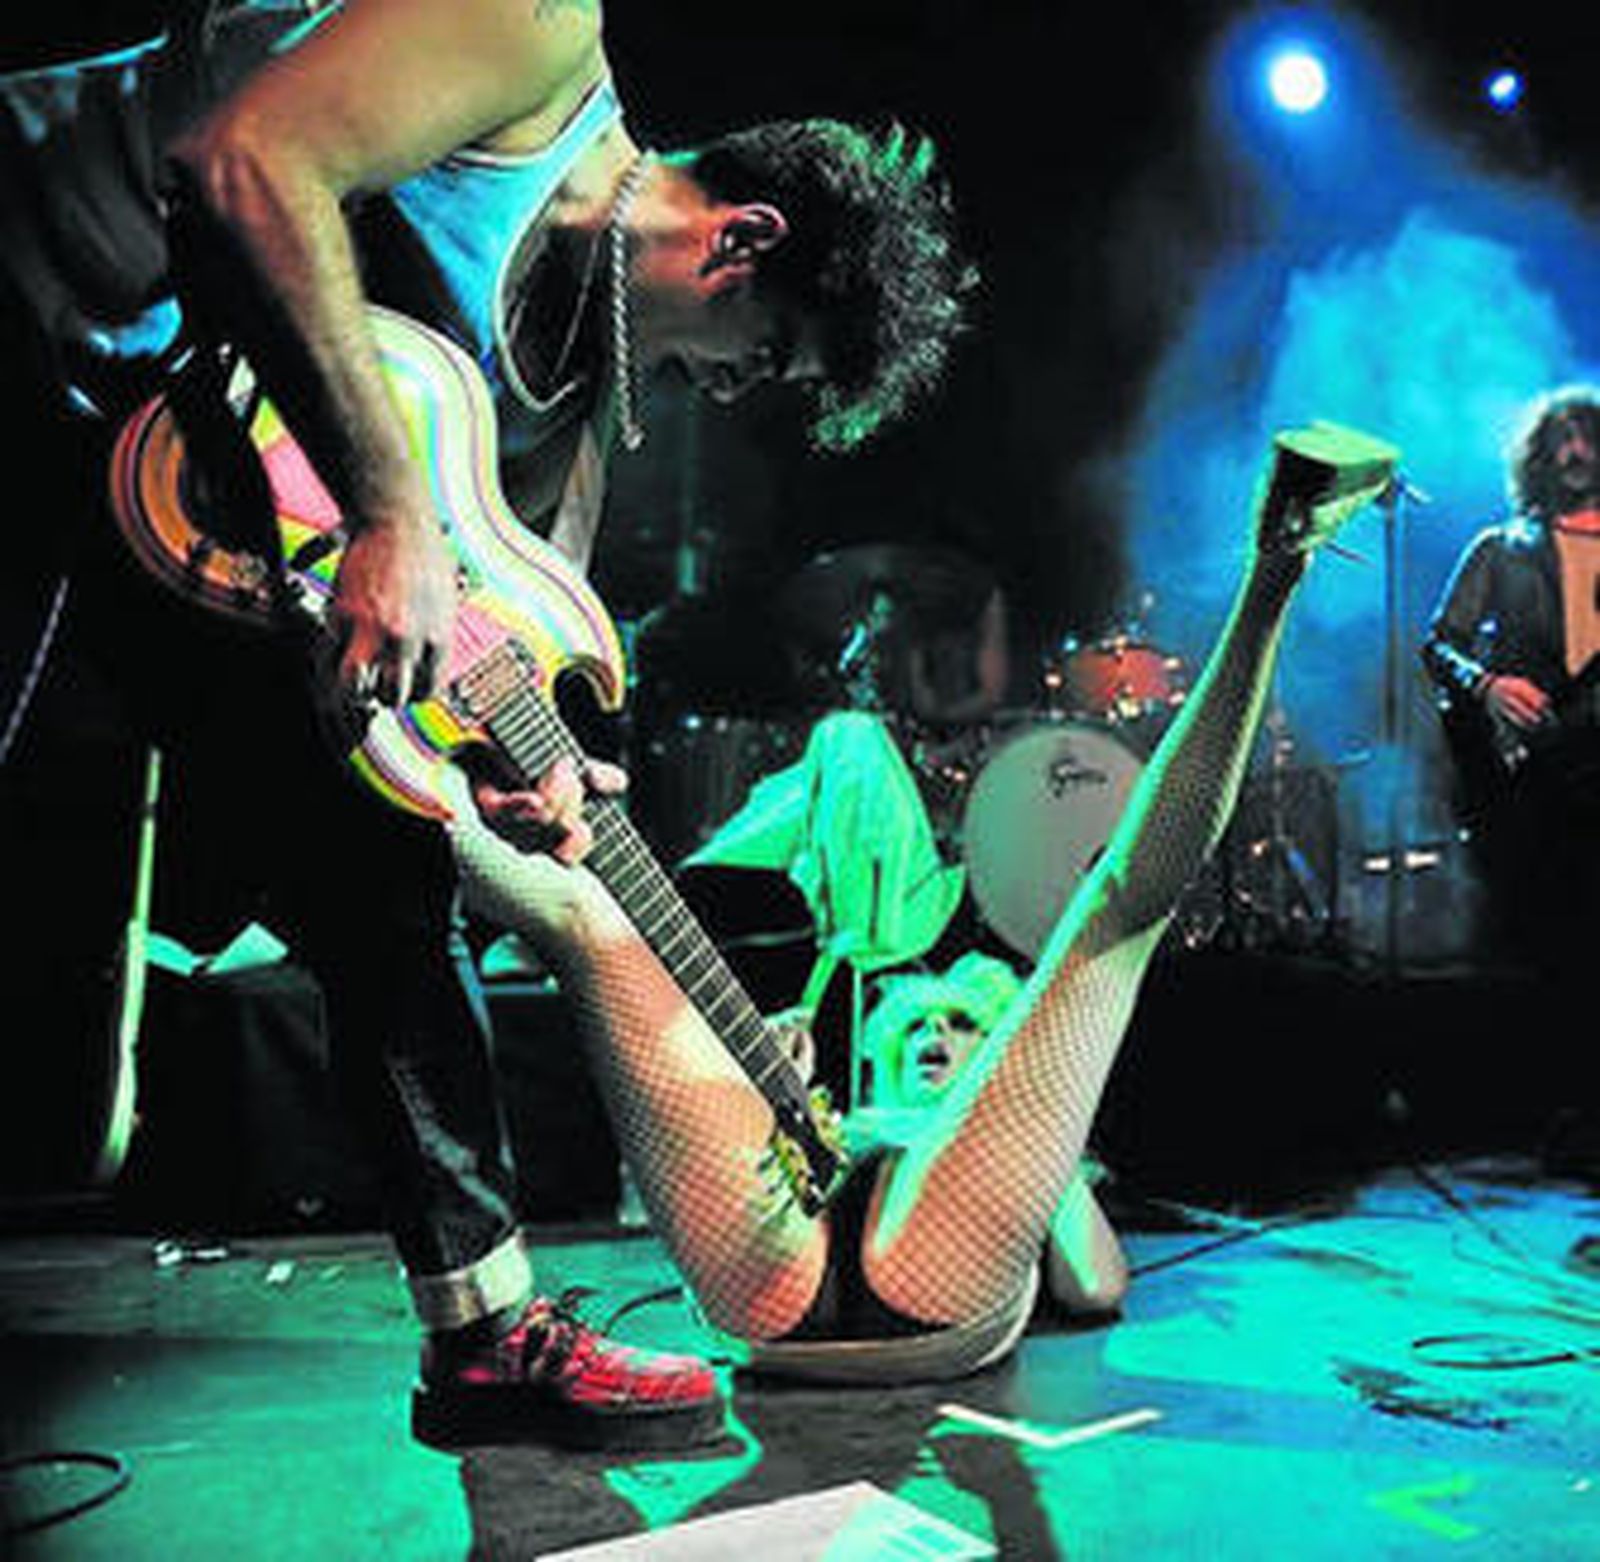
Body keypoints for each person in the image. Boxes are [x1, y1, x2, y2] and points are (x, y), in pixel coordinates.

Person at [1, 0, 970, 1450]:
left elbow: (490, 629)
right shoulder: (531, 42)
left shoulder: (569, 402)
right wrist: (394, 513)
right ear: (744, 238)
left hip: (158, 470)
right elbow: (245, 160)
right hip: (34, 299)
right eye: (752, 360)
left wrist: (527, 772)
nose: (716, 395)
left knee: (385, 864)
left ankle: (482, 1334)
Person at [450, 422, 1400, 1381]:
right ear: (867, 1046)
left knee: (1113, 911)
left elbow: (1096, 1284)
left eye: (961, 1027)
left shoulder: (1005, 1140)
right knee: (586, 917)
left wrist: (1045, 1150)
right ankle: (369, 705)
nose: (939, 1035)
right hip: (786, 1237)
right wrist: (765, 1102)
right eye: (920, 1025)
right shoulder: (839, 1086)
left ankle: (1276, 565)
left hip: (931, 1247)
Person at [1420, 386, 1600, 1176]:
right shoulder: (1502, 547)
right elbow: (1439, 643)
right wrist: (1488, 688)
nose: (1573, 451)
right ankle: (1569, 1109)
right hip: (1535, 775)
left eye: (1586, 435)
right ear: (1536, 457)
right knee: (1559, 940)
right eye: (1557, 439)